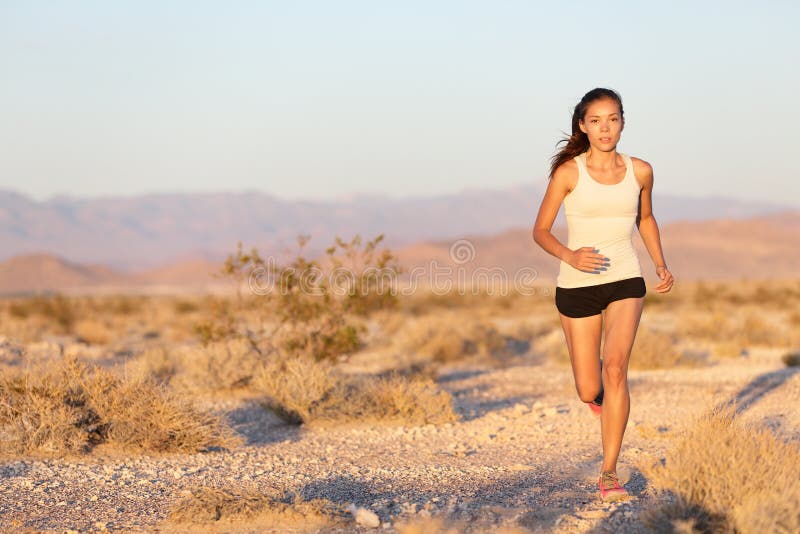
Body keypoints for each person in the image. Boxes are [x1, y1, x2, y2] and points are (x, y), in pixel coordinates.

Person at [531, 87, 674, 502]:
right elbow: (540, 230)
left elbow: (645, 218)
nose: (605, 128)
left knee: (615, 369)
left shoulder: (641, 171)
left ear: (623, 122)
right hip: (576, 284)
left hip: (625, 279)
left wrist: (660, 264)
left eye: (612, 119)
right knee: (587, 385)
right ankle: (597, 399)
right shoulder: (568, 173)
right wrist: (570, 255)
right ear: (583, 126)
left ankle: (609, 470)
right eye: (595, 120)